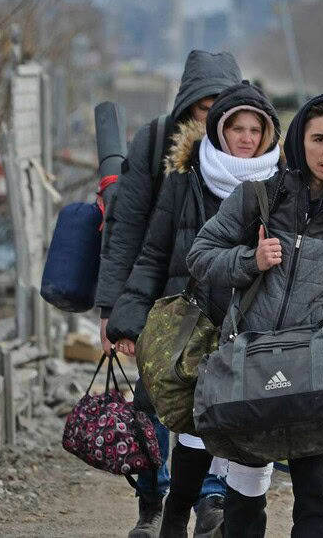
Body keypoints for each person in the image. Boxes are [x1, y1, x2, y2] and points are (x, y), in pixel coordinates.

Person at [187, 95, 323, 537]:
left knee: (317, 501)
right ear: (298, 141)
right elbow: (200, 257)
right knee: (243, 502)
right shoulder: (256, 197)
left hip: (319, 381)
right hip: (252, 372)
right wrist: (250, 260)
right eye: (319, 139)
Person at [106, 82, 282, 538]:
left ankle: (218, 508)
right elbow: (153, 251)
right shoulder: (186, 177)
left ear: (268, 134)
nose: (245, 138)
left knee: (239, 421)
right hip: (188, 323)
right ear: (219, 130)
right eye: (236, 128)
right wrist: (128, 316)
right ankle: (169, 512)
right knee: (182, 419)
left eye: (254, 129)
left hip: (251, 325)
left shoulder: (281, 184)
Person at [96, 50, 241, 538]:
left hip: (228, 303)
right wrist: (115, 311)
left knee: (215, 400)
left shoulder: (255, 154)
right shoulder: (159, 145)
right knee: (154, 398)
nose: (214, 115)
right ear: (185, 108)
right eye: (204, 106)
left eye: (223, 104)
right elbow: (128, 229)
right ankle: (151, 501)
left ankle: (208, 502)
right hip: (163, 299)